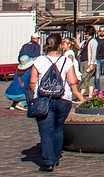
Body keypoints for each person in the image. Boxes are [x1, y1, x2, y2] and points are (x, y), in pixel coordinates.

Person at [29, 31, 82, 173]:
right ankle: (56, 156)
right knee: (58, 128)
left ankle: (48, 161)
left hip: (43, 99)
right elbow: (72, 81)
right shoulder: (67, 61)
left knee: (45, 132)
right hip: (63, 99)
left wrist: (36, 93)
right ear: (59, 46)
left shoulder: (39, 60)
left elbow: (32, 81)